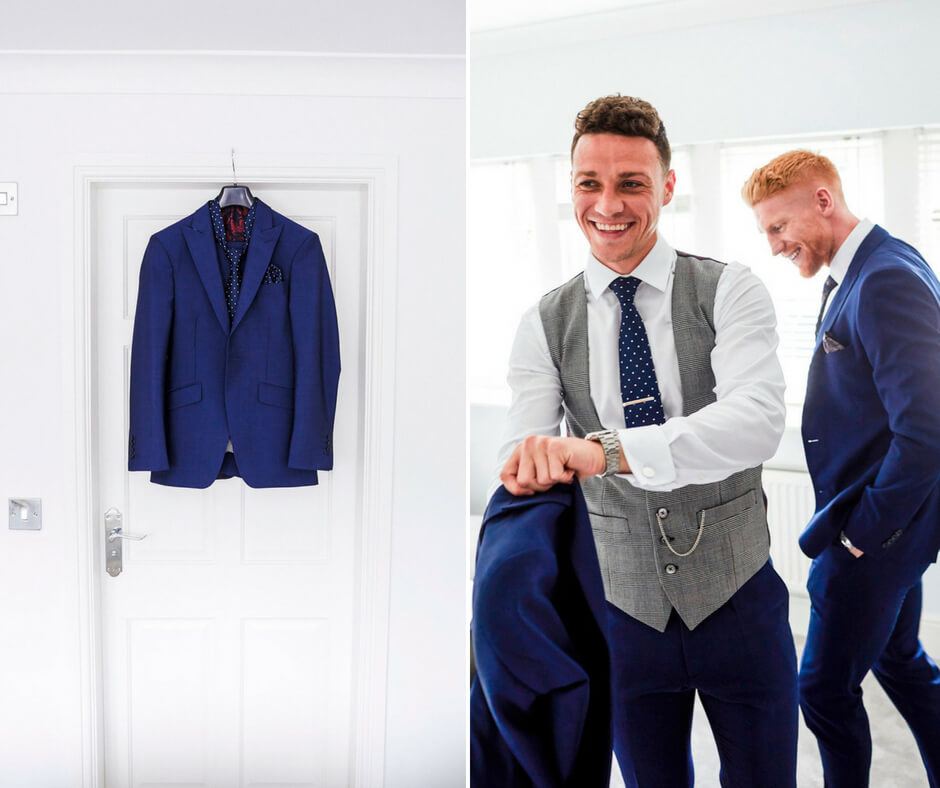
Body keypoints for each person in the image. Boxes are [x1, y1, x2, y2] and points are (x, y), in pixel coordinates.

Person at [495, 95, 798, 787]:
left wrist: (604, 451)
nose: (609, 203)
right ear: (570, 189)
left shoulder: (730, 290)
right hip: (620, 616)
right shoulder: (543, 322)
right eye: (589, 183)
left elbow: (756, 420)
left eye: (631, 183)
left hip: (742, 604)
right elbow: (527, 452)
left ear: (666, 187)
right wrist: (528, 465)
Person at [742, 150, 940, 788]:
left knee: (823, 691)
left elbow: (928, 428)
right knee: (903, 663)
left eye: (778, 227)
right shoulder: (871, 265)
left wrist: (863, 534)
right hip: (888, 529)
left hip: (874, 535)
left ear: (822, 201)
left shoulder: (885, 279)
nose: (774, 246)